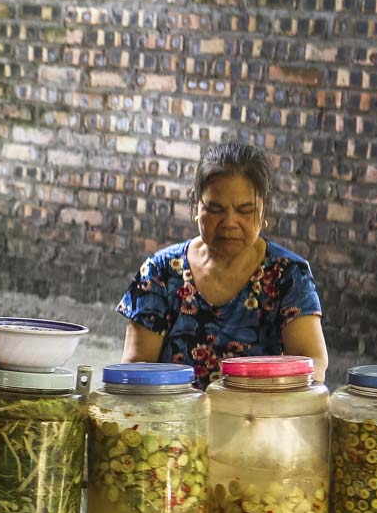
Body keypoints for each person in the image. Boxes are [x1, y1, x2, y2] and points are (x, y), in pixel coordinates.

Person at [116, 142, 328, 388]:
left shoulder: (288, 276)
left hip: (261, 419)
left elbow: (312, 364)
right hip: (173, 420)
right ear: (196, 206)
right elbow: (135, 367)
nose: (229, 222)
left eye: (245, 210)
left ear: (263, 211)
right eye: (215, 209)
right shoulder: (160, 272)